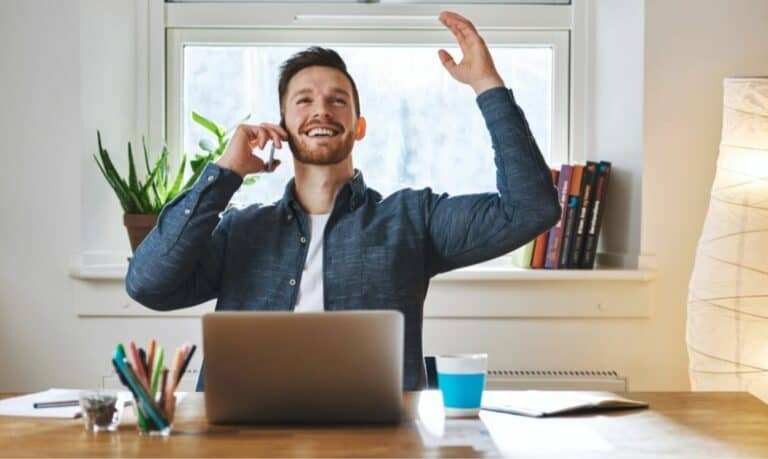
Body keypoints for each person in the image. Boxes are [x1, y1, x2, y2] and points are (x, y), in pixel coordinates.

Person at [126, 11, 560, 391]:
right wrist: (225, 174)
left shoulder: (412, 218)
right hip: (247, 437)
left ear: (359, 126)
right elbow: (147, 284)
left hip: (374, 439)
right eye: (304, 101)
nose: (322, 111)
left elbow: (530, 208)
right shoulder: (241, 231)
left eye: (338, 101)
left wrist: (487, 83)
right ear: (282, 126)